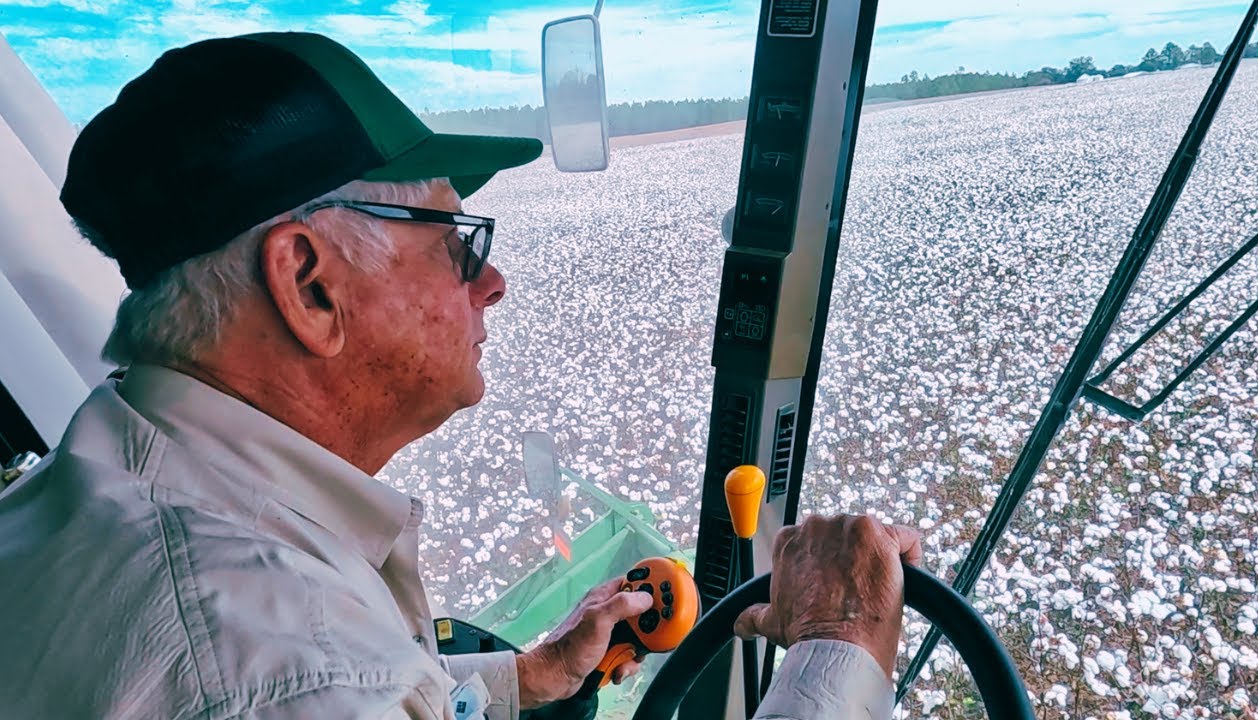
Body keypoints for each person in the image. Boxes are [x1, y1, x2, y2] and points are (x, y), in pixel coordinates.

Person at [0, 31, 922, 719]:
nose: (492, 282)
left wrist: (527, 678)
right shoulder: (282, 671)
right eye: (457, 246)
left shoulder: (103, 484)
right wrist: (841, 645)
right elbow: (314, 681)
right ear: (310, 285)